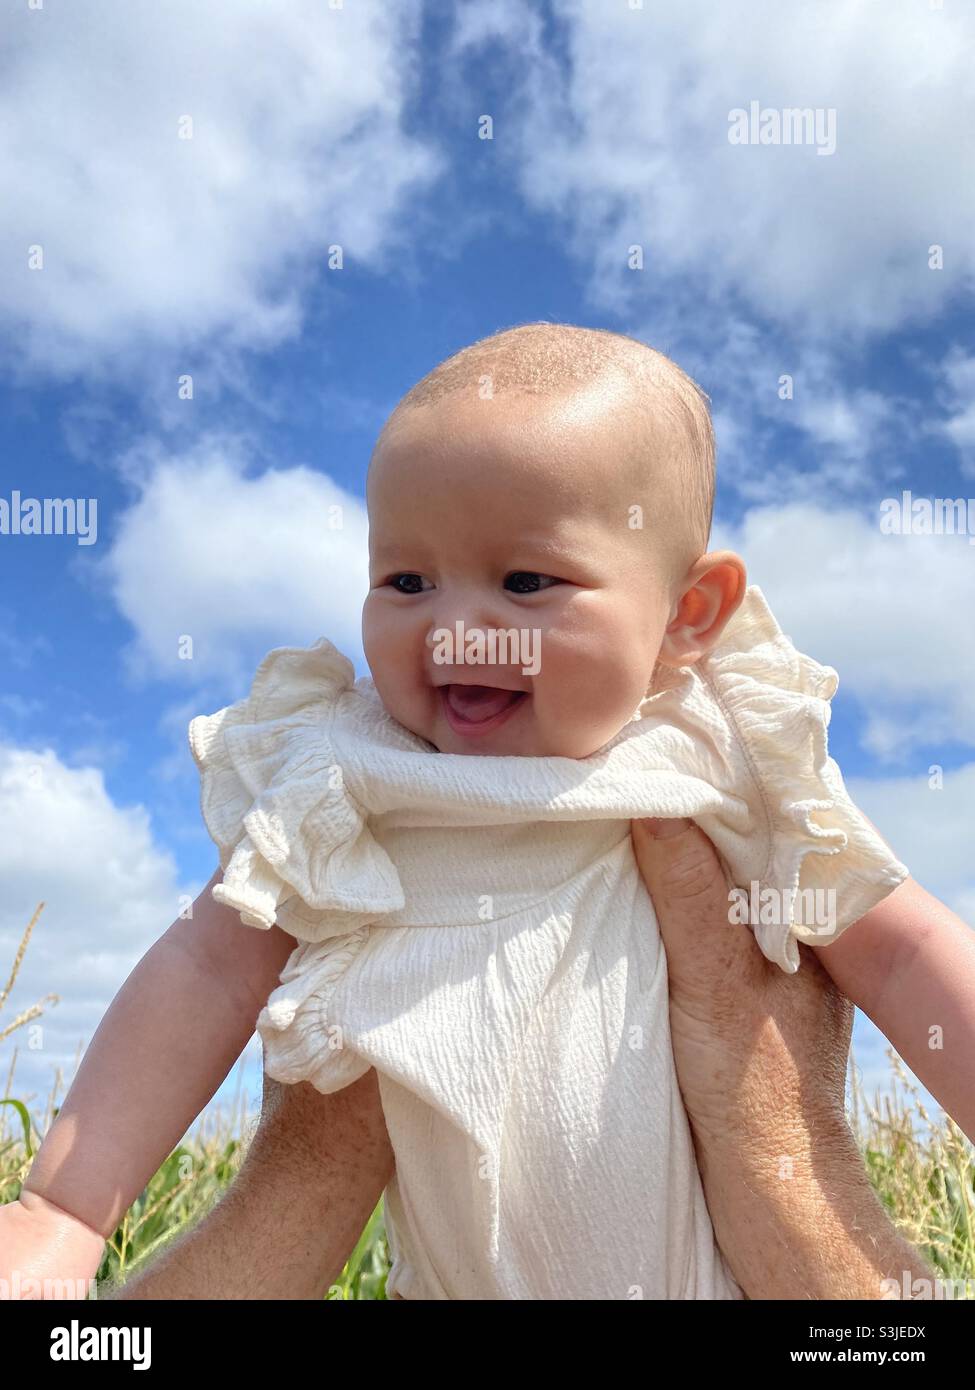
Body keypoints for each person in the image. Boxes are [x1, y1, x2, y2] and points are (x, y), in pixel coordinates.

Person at [5, 323, 970, 1297]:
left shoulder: (727, 755)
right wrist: (66, 1210)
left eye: (525, 581)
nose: (457, 629)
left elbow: (896, 946)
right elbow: (207, 965)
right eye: (407, 580)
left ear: (688, 614)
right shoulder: (351, 765)